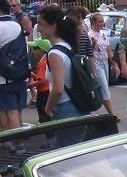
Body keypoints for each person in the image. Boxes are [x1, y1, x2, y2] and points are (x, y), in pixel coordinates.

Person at [0, 0, 30, 132]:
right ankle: (17, 139)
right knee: (18, 112)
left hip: (5, 77)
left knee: (9, 111)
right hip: (21, 74)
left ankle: (16, 141)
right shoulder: (18, 26)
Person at [38, 5, 83, 146]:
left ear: (53, 25)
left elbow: (58, 89)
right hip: (77, 105)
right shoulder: (68, 46)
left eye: (40, 24)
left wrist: (48, 108)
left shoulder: (54, 53)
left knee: (67, 150)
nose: (38, 28)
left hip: (65, 108)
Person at [88, 13, 118, 119]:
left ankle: (89, 109)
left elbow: (108, 50)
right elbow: (88, 52)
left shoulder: (103, 34)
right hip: (96, 64)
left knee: (102, 88)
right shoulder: (90, 35)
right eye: (100, 21)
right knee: (104, 87)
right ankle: (111, 113)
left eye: (102, 21)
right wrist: (93, 44)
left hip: (105, 63)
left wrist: (114, 64)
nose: (102, 23)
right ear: (93, 23)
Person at [27, 38, 52, 123]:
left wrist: (29, 85)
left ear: (41, 50)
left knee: (43, 116)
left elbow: (42, 81)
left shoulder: (41, 63)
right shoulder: (48, 60)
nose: (33, 52)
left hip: (43, 93)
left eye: (34, 49)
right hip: (49, 91)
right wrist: (33, 75)